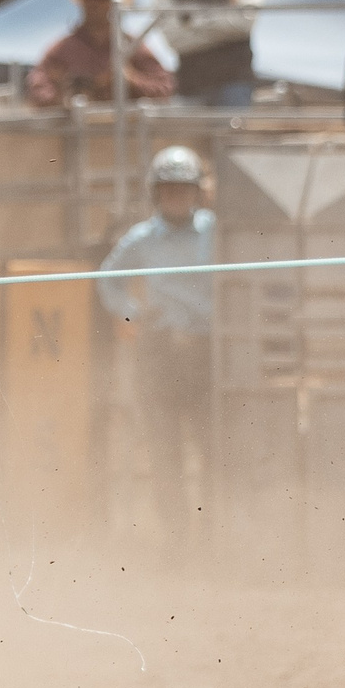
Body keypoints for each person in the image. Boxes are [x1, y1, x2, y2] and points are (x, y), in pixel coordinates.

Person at [98, 145, 215, 552]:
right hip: (160, 354)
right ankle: (176, 543)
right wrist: (133, 314)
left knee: (214, 449)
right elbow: (107, 279)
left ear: (197, 192)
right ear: (156, 193)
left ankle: (214, 539)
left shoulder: (216, 231)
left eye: (184, 189)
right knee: (165, 453)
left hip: (206, 353)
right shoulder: (142, 239)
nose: (177, 197)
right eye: (169, 189)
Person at [27, 0, 174, 109]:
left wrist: (130, 79)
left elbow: (165, 88)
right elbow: (36, 89)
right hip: (77, 123)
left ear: (110, 0)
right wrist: (61, 95)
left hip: (123, 123)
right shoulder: (62, 50)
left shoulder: (132, 46)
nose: (94, 3)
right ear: (81, 0)